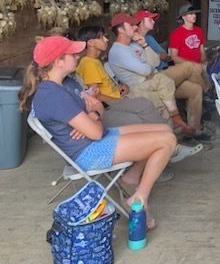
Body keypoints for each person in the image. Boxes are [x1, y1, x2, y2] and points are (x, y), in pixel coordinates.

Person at [19, 36, 176, 229]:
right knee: (166, 140)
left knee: (165, 129)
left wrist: (92, 115)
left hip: (94, 139)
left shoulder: (64, 84)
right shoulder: (52, 95)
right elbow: (95, 132)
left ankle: (131, 178)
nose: (78, 56)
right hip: (88, 152)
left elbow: (98, 109)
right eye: (73, 54)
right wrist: (92, 118)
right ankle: (140, 196)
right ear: (58, 62)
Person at [107, 13, 212, 141]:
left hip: (156, 79)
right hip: (141, 87)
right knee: (188, 67)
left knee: (195, 89)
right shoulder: (118, 51)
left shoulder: (135, 44)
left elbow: (155, 62)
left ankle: (191, 131)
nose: (135, 27)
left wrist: (145, 45)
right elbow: (146, 70)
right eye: (131, 25)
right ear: (121, 30)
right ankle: (208, 95)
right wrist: (150, 68)